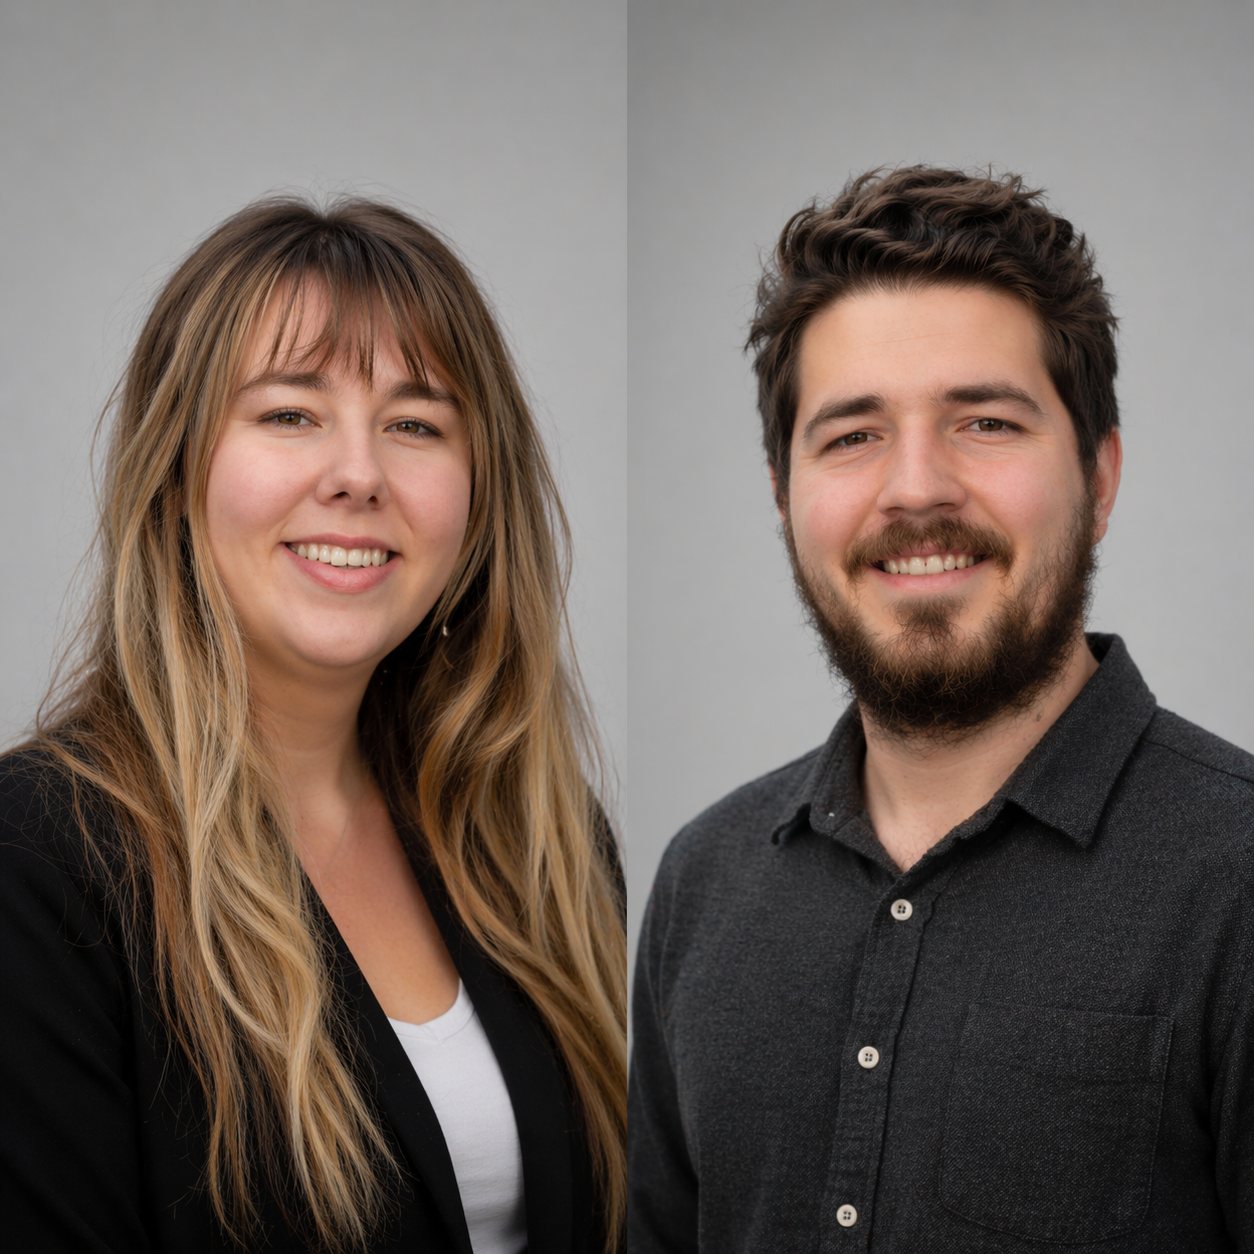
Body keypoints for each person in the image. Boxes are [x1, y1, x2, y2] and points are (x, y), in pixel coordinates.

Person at [628, 167, 1254, 1250]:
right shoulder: (701, 882)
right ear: (784, 496)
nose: (916, 489)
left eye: (986, 423)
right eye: (852, 436)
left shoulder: (1238, 877)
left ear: (1099, 478)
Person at [0, 199, 625, 1252]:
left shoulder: (544, 847)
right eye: (291, 414)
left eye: (416, 425)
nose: (360, 475)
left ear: (479, 498)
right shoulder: (39, 859)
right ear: (177, 469)